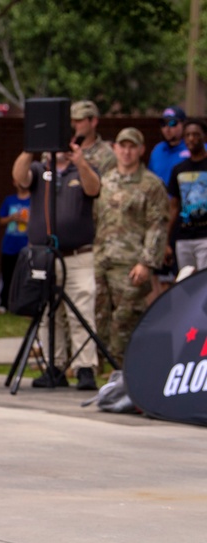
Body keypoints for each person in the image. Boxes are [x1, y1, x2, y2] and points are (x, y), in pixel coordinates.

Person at [12, 137, 102, 391]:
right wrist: (30, 149)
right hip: (45, 256)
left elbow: (94, 189)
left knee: (81, 311)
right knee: (48, 313)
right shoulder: (40, 171)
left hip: (78, 256)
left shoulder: (83, 168)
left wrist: (80, 162)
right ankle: (55, 366)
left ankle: (85, 368)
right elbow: (20, 177)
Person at [94, 128, 169, 366]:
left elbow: (157, 226)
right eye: (122, 146)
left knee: (125, 318)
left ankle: (122, 369)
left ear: (141, 150)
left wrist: (147, 263)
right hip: (101, 258)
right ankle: (97, 365)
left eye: (132, 147)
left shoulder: (151, 185)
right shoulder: (104, 180)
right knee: (99, 316)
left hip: (131, 262)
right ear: (114, 148)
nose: (126, 152)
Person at [148, 106, 189, 299]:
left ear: (183, 125)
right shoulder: (157, 151)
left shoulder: (193, 149)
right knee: (159, 275)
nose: (168, 128)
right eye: (163, 124)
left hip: (187, 219)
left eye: (173, 123)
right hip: (161, 216)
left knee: (184, 274)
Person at [166, 118, 207, 273]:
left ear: (204, 137)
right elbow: (174, 206)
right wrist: (167, 241)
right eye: (188, 135)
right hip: (184, 236)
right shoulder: (179, 170)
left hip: (205, 236)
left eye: (196, 134)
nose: (191, 138)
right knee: (185, 281)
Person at [0, 182, 31, 313]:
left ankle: (21, 305)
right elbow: (0, 220)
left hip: (26, 244)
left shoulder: (34, 200)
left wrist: (25, 220)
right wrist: (11, 218)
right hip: (9, 244)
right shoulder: (9, 200)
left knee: (24, 276)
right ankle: (3, 303)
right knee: (6, 275)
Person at [70, 100, 116, 176]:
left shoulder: (107, 154)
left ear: (93, 122)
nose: (73, 125)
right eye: (71, 121)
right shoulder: (62, 150)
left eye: (78, 121)